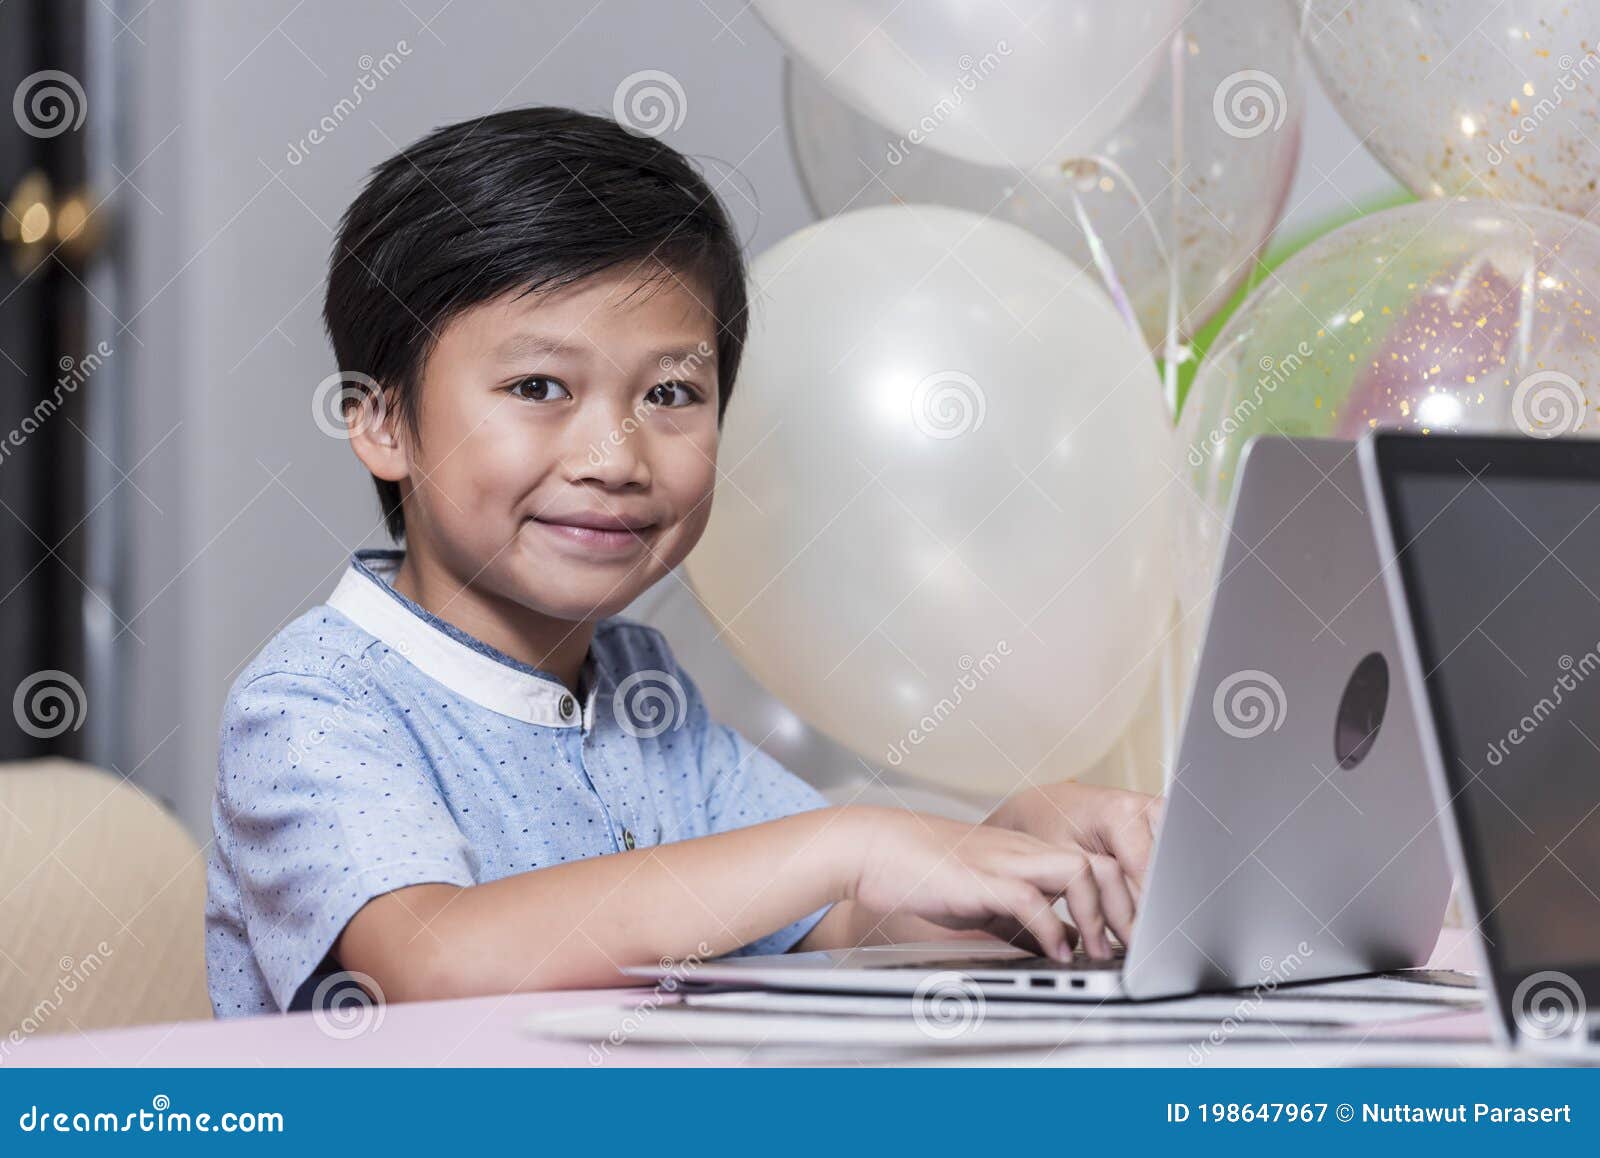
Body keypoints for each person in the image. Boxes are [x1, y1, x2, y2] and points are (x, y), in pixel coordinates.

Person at [204, 107, 1163, 1017]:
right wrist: (850, 840)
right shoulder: (313, 705)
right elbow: (434, 963)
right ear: (380, 420)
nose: (615, 458)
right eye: (538, 386)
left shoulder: (638, 689)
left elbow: (841, 918)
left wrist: (1017, 855)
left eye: (670, 392)